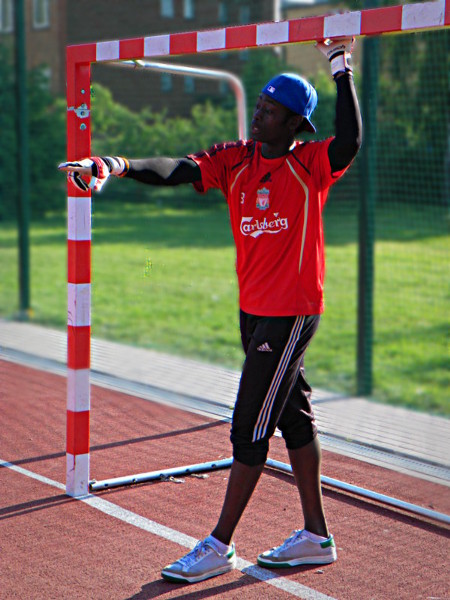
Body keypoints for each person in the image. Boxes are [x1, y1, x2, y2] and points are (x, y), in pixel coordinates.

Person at [59, 37, 362, 584]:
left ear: (296, 124)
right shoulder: (236, 160)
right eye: (261, 105)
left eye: (271, 111)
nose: (260, 115)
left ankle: (219, 544)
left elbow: (350, 142)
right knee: (293, 416)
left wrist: (341, 70)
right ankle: (316, 536)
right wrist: (116, 164)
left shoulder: (310, 166)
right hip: (254, 312)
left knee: (249, 424)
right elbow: (176, 167)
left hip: (291, 313)